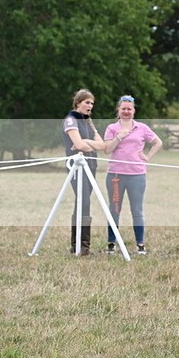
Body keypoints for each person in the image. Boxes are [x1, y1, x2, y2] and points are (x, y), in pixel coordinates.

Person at [103, 95, 163, 255]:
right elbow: (107, 149)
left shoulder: (142, 128)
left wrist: (148, 157)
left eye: (129, 109)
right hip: (115, 175)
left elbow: (158, 142)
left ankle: (140, 244)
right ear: (119, 110)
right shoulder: (112, 128)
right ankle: (111, 242)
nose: (126, 111)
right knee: (114, 209)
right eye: (123, 108)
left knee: (137, 210)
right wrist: (119, 137)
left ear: (134, 110)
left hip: (137, 175)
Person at [62, 89, 105, 255]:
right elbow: (78, 146)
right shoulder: (71, 120)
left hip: (91, 166)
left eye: (92, 103)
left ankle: (82, 246)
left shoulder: (88, 122)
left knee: (84, 203)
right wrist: (88, 145)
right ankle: (80, 247)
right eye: (87, 102)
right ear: (78, 103)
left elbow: (103, 146)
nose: (90, 106)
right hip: (77, 167)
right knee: (83, 202)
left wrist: (86, 142)